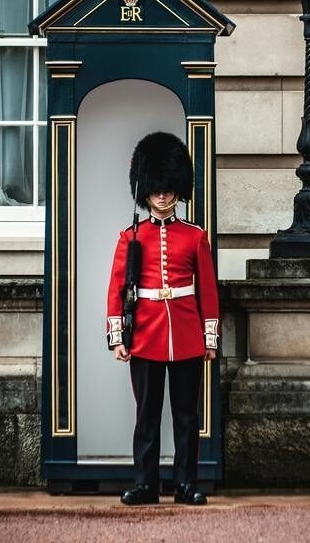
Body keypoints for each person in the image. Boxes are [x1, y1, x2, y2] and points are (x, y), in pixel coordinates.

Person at [106, 131, 219, 506]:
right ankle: (146, 484)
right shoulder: (130, 237)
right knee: (147, 416)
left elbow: (207, 291)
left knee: (187, 416)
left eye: (168, 188)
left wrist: (210, 338)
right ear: (146, 189)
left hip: (186, 333)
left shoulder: (195, 236)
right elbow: (117, 289)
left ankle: (185, 484)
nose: (162, 195)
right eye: (156, 188)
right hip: (146, 334)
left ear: (177, 188)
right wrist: (118, 337)